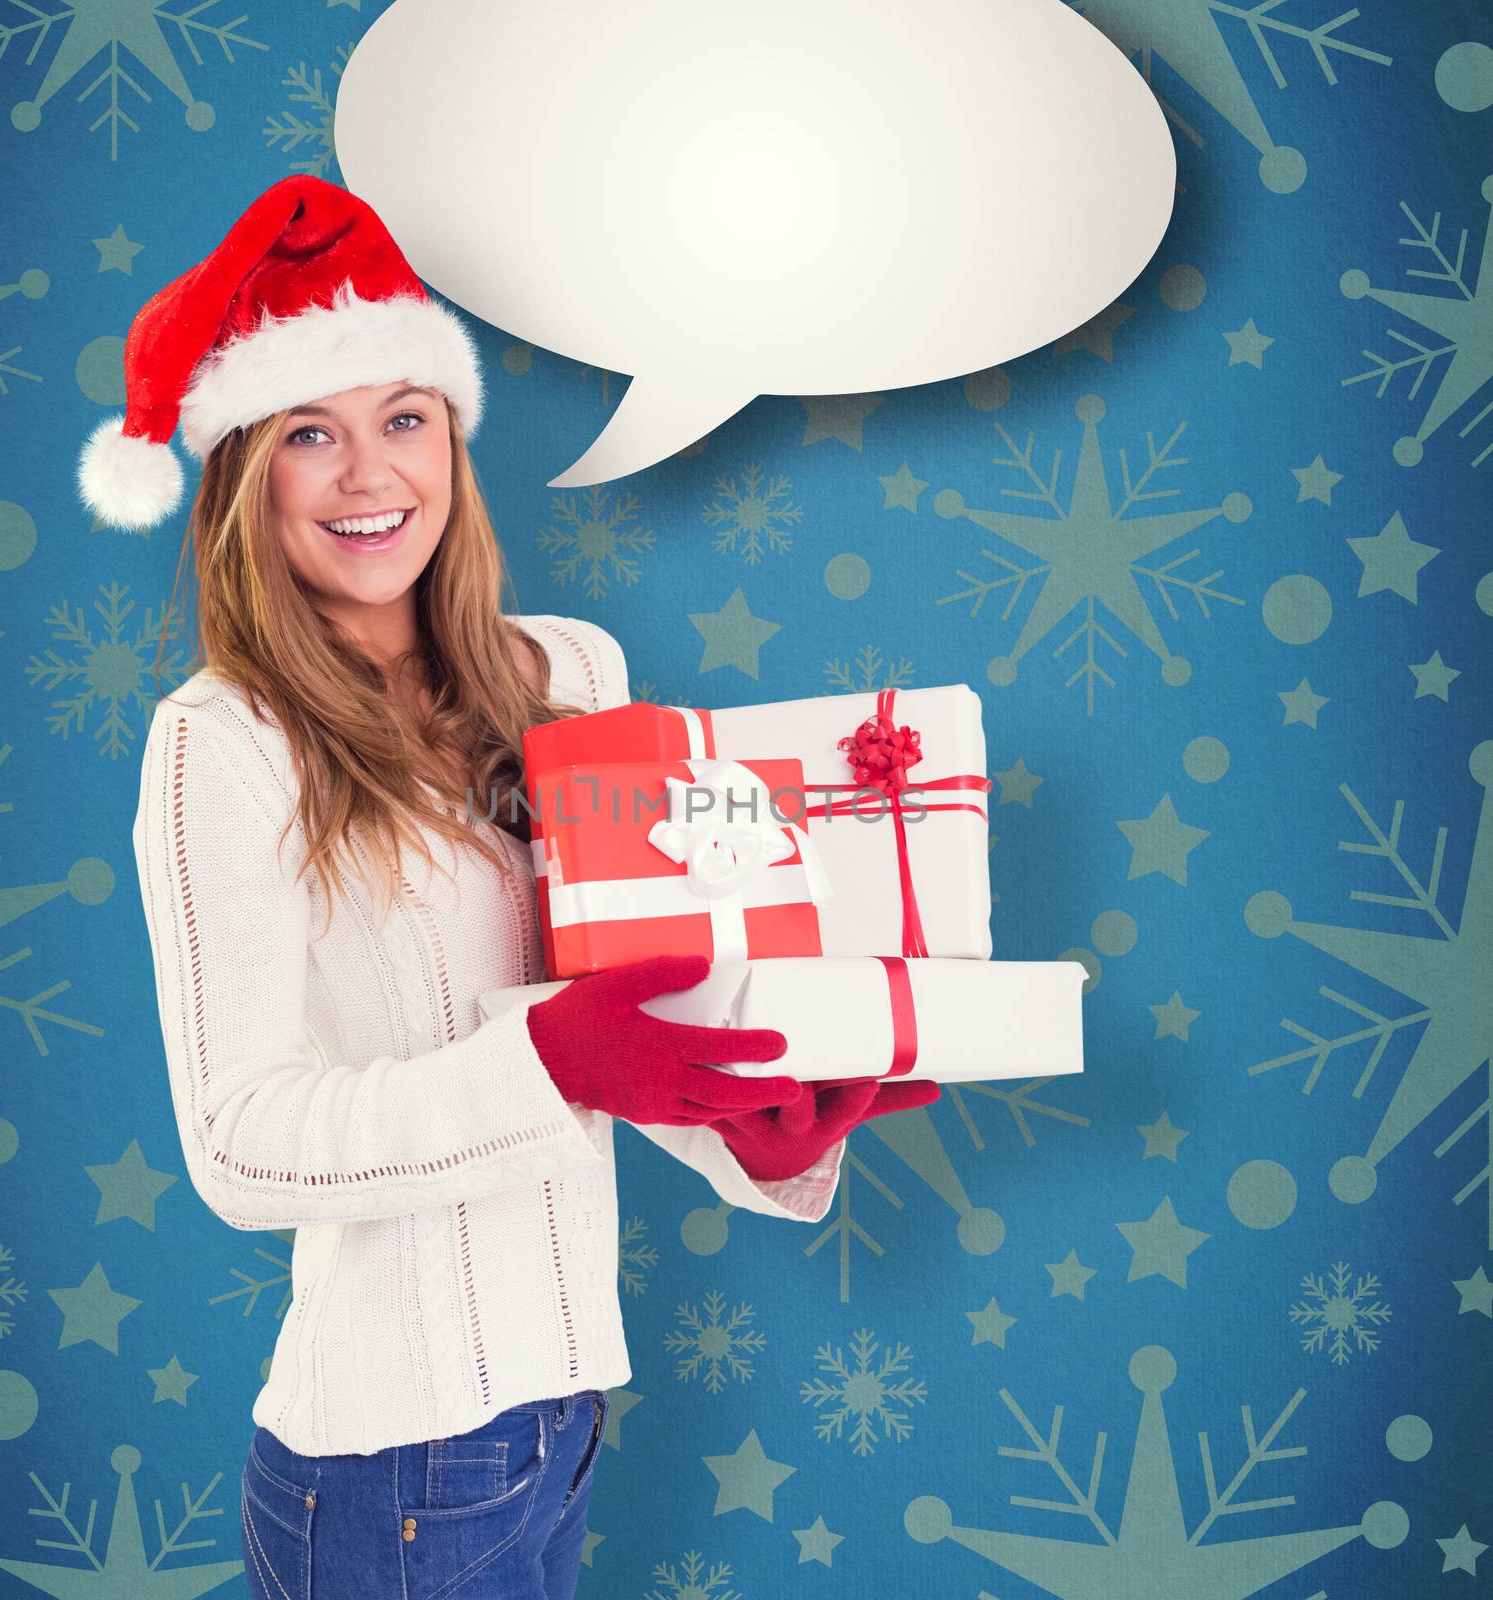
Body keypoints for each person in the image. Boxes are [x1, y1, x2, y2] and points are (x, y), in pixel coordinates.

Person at [88, 175, 939, 1600]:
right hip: (381, 1476)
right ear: (247, 475)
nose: (372, 478)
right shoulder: (220, 743)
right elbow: (238, 1147)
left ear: (454, 443)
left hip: (558, 1429)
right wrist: (543, 1056)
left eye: (403, 420)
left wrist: (766, 1137)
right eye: (312, 434)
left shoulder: (568, 677)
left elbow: (639, 999)